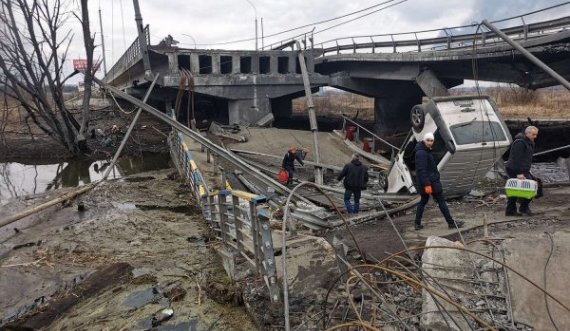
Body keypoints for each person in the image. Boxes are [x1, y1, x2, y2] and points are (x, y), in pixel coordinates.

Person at [414, 132, 464, 230]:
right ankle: (451, 223)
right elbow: (421, 170)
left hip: (429, 181)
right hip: (430, 182)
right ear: (424, 140)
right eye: (428, 140)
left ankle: (417, 223)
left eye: (431, 140)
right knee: (441, 201)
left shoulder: (425, 150)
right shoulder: (421, 153)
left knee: (423, 201)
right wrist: (427, 184)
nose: (430, 142)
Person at [505, 126, 539, 216]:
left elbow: (526, 158)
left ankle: (518, 208)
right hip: (514, 169)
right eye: (533, 134)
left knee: (533, 187)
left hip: (523, 169)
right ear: (527, 133)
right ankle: (518, 209)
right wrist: (519, 173)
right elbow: (517, 159)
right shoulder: (520, 143)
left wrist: (528, 170)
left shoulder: (530, 142)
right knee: (520, 189)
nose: (535, 136)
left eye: (536, 134)